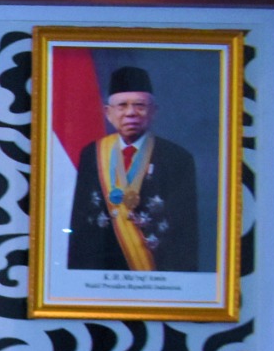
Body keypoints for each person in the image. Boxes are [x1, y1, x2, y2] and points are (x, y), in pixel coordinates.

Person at [65, 63, 205, 272]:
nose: (130, 113)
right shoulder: (91, 154)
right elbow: (81, 224)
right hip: (101, 270)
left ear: (153, 111)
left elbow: (185, 233)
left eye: (140, 105)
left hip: (156, 271)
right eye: (122, 106)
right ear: (108, 112)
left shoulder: (177, 158)